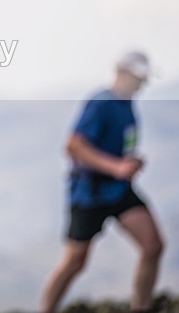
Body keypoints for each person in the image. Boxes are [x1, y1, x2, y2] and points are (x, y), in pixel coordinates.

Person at [40, 51, 165, 312]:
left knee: (153, 246)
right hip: (89, 193)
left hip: (118, 191)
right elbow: (74, 146)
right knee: (76, 261)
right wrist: (115, 166)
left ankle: (141, 308)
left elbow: (119, 146)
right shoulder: (101, 103)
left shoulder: (127, 105)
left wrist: (130, 161)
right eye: (139, 79)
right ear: (123, 74)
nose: (143, 85)